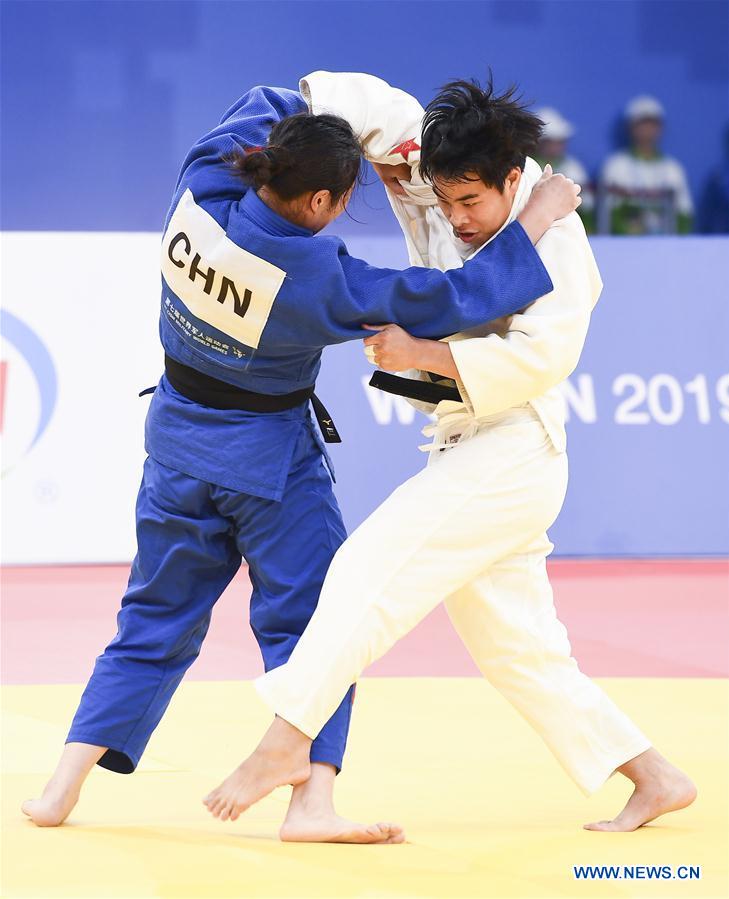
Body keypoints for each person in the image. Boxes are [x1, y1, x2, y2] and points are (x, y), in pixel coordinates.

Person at [21, 83, 576, 844]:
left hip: (175, 445)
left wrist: (369, 125)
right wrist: (539, 215)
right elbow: (463, 297)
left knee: (149, 619)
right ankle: (311, 800)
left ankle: (59, 788)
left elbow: (274, 95)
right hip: (268, 465)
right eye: (346, 199)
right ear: (318, 201)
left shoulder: (203, 182)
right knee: (318, 622)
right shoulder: (318, 278)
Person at [204, 72, 697, 834]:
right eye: (446, 200)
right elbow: (357, 100)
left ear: (512, 180)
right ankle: (653, 773)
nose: (457, 219)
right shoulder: (429, 160)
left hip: (516, 449)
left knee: (371, 566)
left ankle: (285, 740)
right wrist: (303, 125)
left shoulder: (558, 241)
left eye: (472, 203)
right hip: (466, 443)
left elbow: (541, 359)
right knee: (518, 652)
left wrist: (422, 352)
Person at [599, 95, 693, 234]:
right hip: (623, 245)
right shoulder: (615, 165)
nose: (647, 129)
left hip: (666, 246)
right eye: (642, 124)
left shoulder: (673, 168)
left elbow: (684, 214)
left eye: (653, 124)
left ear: (660, 128)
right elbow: (608, 211)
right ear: (630, 127)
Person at [535, 106, 595, 232]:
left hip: (568, 229)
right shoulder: (528, 165)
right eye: (551, 141)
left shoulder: (574, 167)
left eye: (560, 141)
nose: (556, 146)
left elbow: (587, 205)